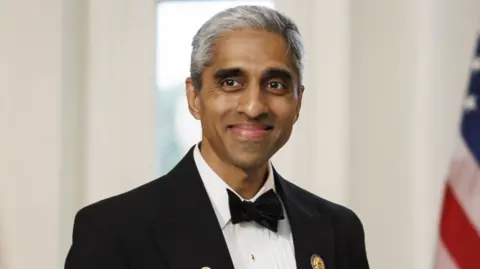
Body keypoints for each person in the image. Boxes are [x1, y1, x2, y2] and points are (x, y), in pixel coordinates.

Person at [65, 5, 369, 269]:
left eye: (275, 85)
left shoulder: (339, 230)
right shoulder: (112, 232)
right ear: (194, 98)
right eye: (231, 82)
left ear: (298, 102)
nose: (253, 107)